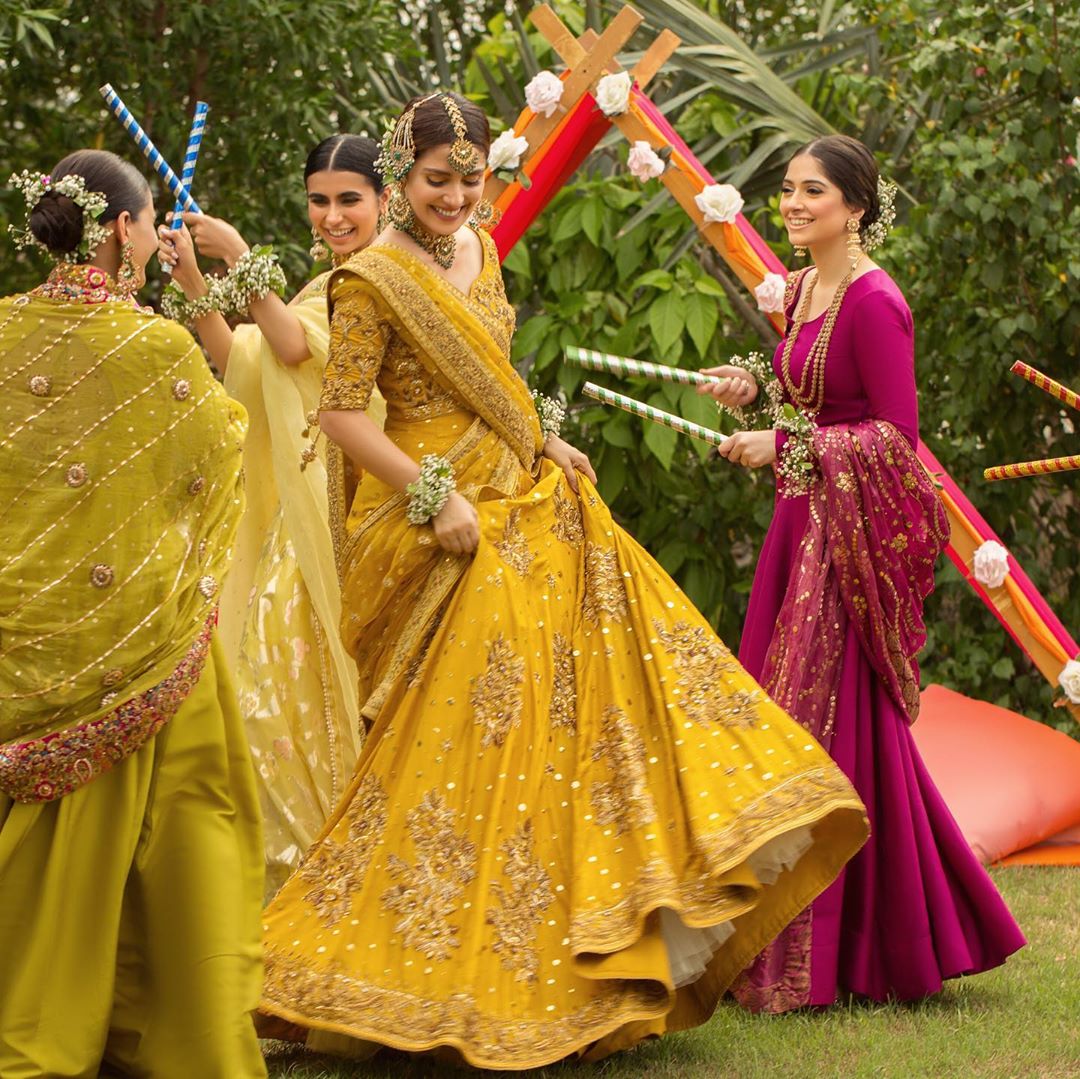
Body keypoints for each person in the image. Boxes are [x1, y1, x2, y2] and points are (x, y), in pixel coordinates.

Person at [258, 92, 868, 1068]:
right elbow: (340, 415)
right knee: (470, 733)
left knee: (572, 716)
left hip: (527, 496)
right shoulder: (369, 280)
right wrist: (435, 496)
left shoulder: (482, 252)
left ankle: (569, 963)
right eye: (435, 181)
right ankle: (389, 973)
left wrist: (542, 433)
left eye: (468, 179)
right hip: (436, 517)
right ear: (401, 182)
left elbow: (493, 372)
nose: (456, 197)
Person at [700, 134, 1026, 1011]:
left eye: (812, 191)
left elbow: (896, 438)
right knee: (787, 728)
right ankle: (875, 931)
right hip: (797, 529)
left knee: (829, 732)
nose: (794, 204)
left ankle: (838, 953)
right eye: (788, 191)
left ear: (854, 205)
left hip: (839, 549)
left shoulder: (878, 301)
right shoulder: (807, 287)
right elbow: (816, 393)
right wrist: (752, 391)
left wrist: (785, 441)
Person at [0, 149, 265, 1076]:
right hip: (139, 640)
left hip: (19, 642)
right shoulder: (154, 347)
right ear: (122, 229)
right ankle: (169, 1026)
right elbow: (224, 446)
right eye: (152, 226)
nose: (155, 243)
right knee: (194, 820)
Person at [158, 135, 388, 897]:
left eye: (349, 198)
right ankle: (300, 880)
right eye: (319, 201)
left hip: (365, 503)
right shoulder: (322, 283)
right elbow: (243, 361)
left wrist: (240, 257)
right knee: (266, 690)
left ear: (385, 200)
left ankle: (345, 868)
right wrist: (194, 276)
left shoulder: (378, 279)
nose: (332, 215)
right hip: (301, 511)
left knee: (315, 685)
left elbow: (290, 349)